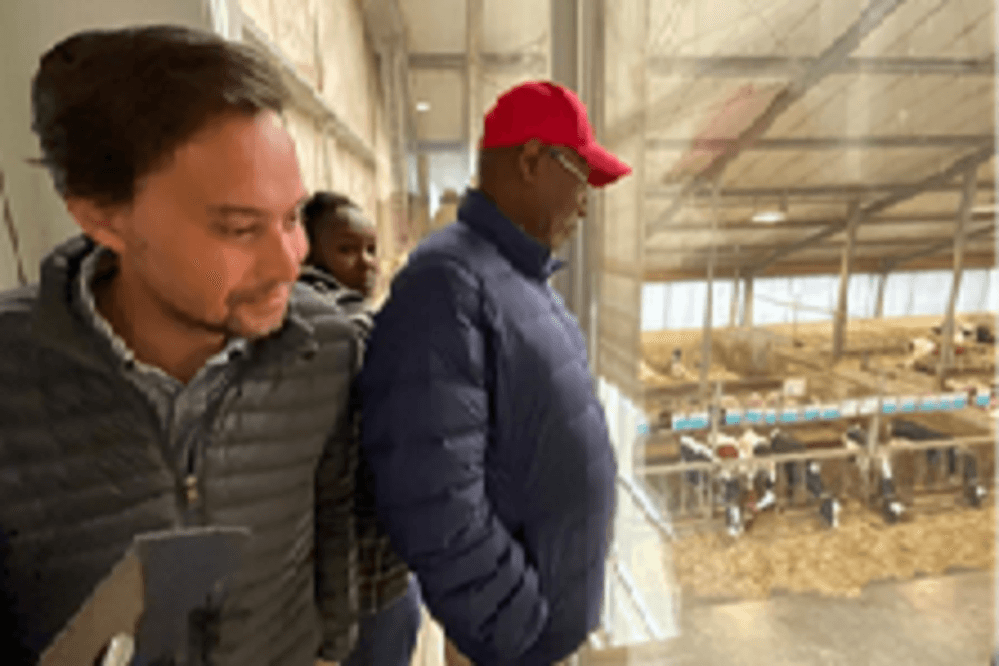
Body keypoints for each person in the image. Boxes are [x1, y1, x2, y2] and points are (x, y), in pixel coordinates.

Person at [0, 25, 375, 666]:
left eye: (291, 217)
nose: (290, 262)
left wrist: (330, 649)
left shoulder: (329, 351)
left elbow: (342, 521)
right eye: (238, 227)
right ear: (101, 217)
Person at [358, 81, 633, 665]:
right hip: (513, 645)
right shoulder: (446, 285)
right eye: (580, 176)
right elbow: (429, 490)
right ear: (532, 160)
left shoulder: (517, 280)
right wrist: (514, 624)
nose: (585, 201)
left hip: (540, 633)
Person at [300, 191, 423, 666]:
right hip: (372, 587)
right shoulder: (362, 336)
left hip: (306, 594)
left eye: (372, 249)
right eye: (347, 250)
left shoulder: (275, 330)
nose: (368, 264)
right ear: (307, 253)